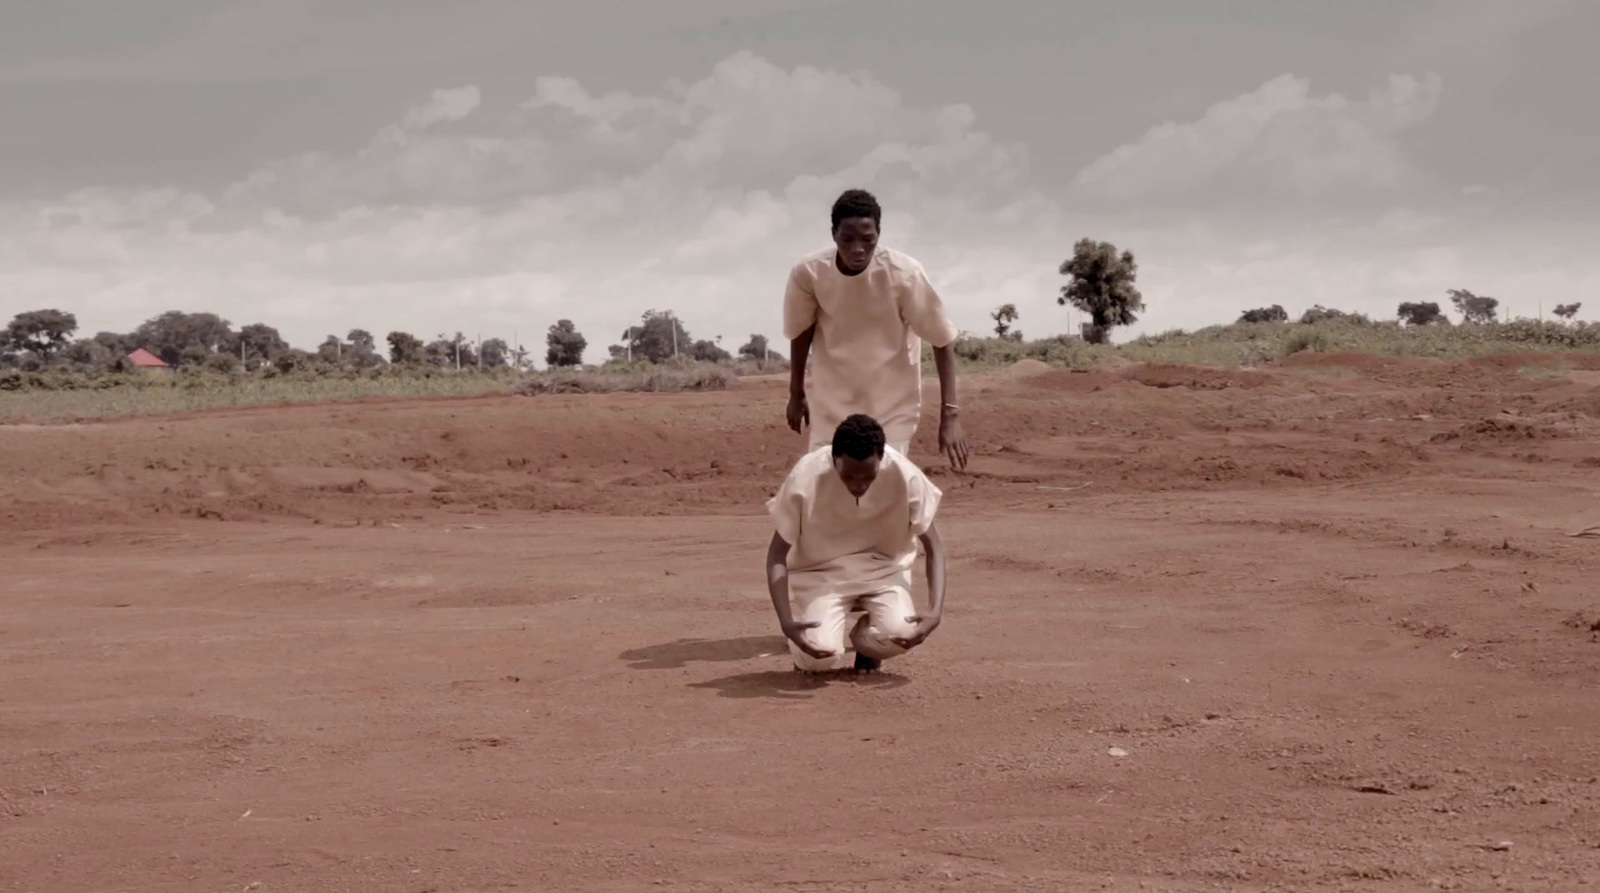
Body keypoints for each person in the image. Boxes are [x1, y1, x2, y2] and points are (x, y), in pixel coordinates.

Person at [783, 188, 972, 469]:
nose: (858, 249)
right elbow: (801, 329)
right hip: (831, 407)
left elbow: (941, 338)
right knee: (823, 486)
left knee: (883, 487)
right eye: (847, 239)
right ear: (833, 234)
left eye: (868, 240)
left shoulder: (904, 274)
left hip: (891, 409)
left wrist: (951, 416)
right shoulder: (809, 272)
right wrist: (795, 391)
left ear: (879, 234)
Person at [764, 414, 949, 673]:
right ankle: (809, 653)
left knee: (904, 634)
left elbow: (934, 549)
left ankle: (865, 643)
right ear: (834, 459)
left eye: (868, 476)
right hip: (822, 576)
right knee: (820, 656)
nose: (858, 484)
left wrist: (935, 611)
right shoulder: (807, 474)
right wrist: (786, 621)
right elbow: (776, 555)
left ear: (881, 459)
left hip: (885, 572)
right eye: (849, 476)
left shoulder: (905, 475)